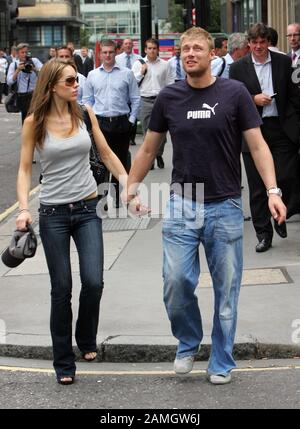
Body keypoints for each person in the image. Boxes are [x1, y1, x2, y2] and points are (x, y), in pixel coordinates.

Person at [126, 27, 286, 384]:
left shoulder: (235, 93)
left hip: (226, 204)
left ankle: (222, 359)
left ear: (213, 54)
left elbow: (258, 146)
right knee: (176, 281)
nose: (190, 53)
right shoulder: (170, 97)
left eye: (197, 48)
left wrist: (273, 191)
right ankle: (187, 342)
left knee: (226, 291)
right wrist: (131, 189)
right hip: (184, 201)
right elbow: (149, 148)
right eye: (185, 49)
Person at [15, 59, 131, 385]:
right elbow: (24, 169)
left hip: (87, 208)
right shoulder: (34, 122)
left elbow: (107, 154)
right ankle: (64, 362)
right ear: (52, 85)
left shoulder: (84, 113)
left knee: (93, 281)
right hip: (52, 213)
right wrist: (23, 208)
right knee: (61, 288)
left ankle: (86, 336)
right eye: (69, 80)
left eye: (76, 79)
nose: (76, 84)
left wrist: (129, 183)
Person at [230, 23, 300, 252]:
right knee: (258, 186)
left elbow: (293, 96)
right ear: (249, 43)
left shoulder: (282, 62)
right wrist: (253, 99)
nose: (259, 46)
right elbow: (233, 101)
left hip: (281, 128)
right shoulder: (238, 68)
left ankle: (281, 212)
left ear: (268, 42)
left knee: (287, 176)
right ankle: (264, 234)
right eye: (255, 42)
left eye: (263, 42)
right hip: (253, 130)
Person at [83, 39, 140, 208]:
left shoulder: (127, 73)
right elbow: (87, 101)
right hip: (99, 123)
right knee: (100, 163)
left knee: (120, 160)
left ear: (116, 53)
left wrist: (131, 121)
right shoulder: (93, 75)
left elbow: (135, 99)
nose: (107, 55)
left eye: (111, 52)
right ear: (100, 54)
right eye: (104, 52)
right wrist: (92, 122)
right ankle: (102, 197)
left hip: (121, 122)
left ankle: (116, 198)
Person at [132, 38, 174, 169]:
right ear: (145, 50)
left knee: (161, 131)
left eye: (154, 48)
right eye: (149, 48)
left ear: (158, 50)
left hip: (160, 100)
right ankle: (149, 160)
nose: (152, 51)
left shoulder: (165, 65)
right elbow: (132, 82)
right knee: (147, 132)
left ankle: (159, 154)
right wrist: (141, 72)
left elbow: (170, 83)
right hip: (145, 100)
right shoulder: (138, 64)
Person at [6, 43, 43, 124]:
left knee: (36, 119)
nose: (24, 54)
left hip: (34, 94)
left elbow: (44, 75)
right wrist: (17, 70)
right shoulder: (14, 64)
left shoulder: (34, 61)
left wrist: (34, 69)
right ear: (17, 53)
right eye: (22, 52)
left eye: (26, 52)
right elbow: (9, 82)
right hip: (22, 96)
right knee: (26, 120)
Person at [116, 38, 142, 146]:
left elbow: (143, 73)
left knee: (133, 111)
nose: (128, 45)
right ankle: (124, 133)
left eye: (130, 44)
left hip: (134, 88)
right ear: (122, 46)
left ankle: (132, 136)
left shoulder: (139, 59)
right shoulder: (117, 58)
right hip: (122, 90)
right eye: (126, 44)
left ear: (133, 46)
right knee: (124, 111)